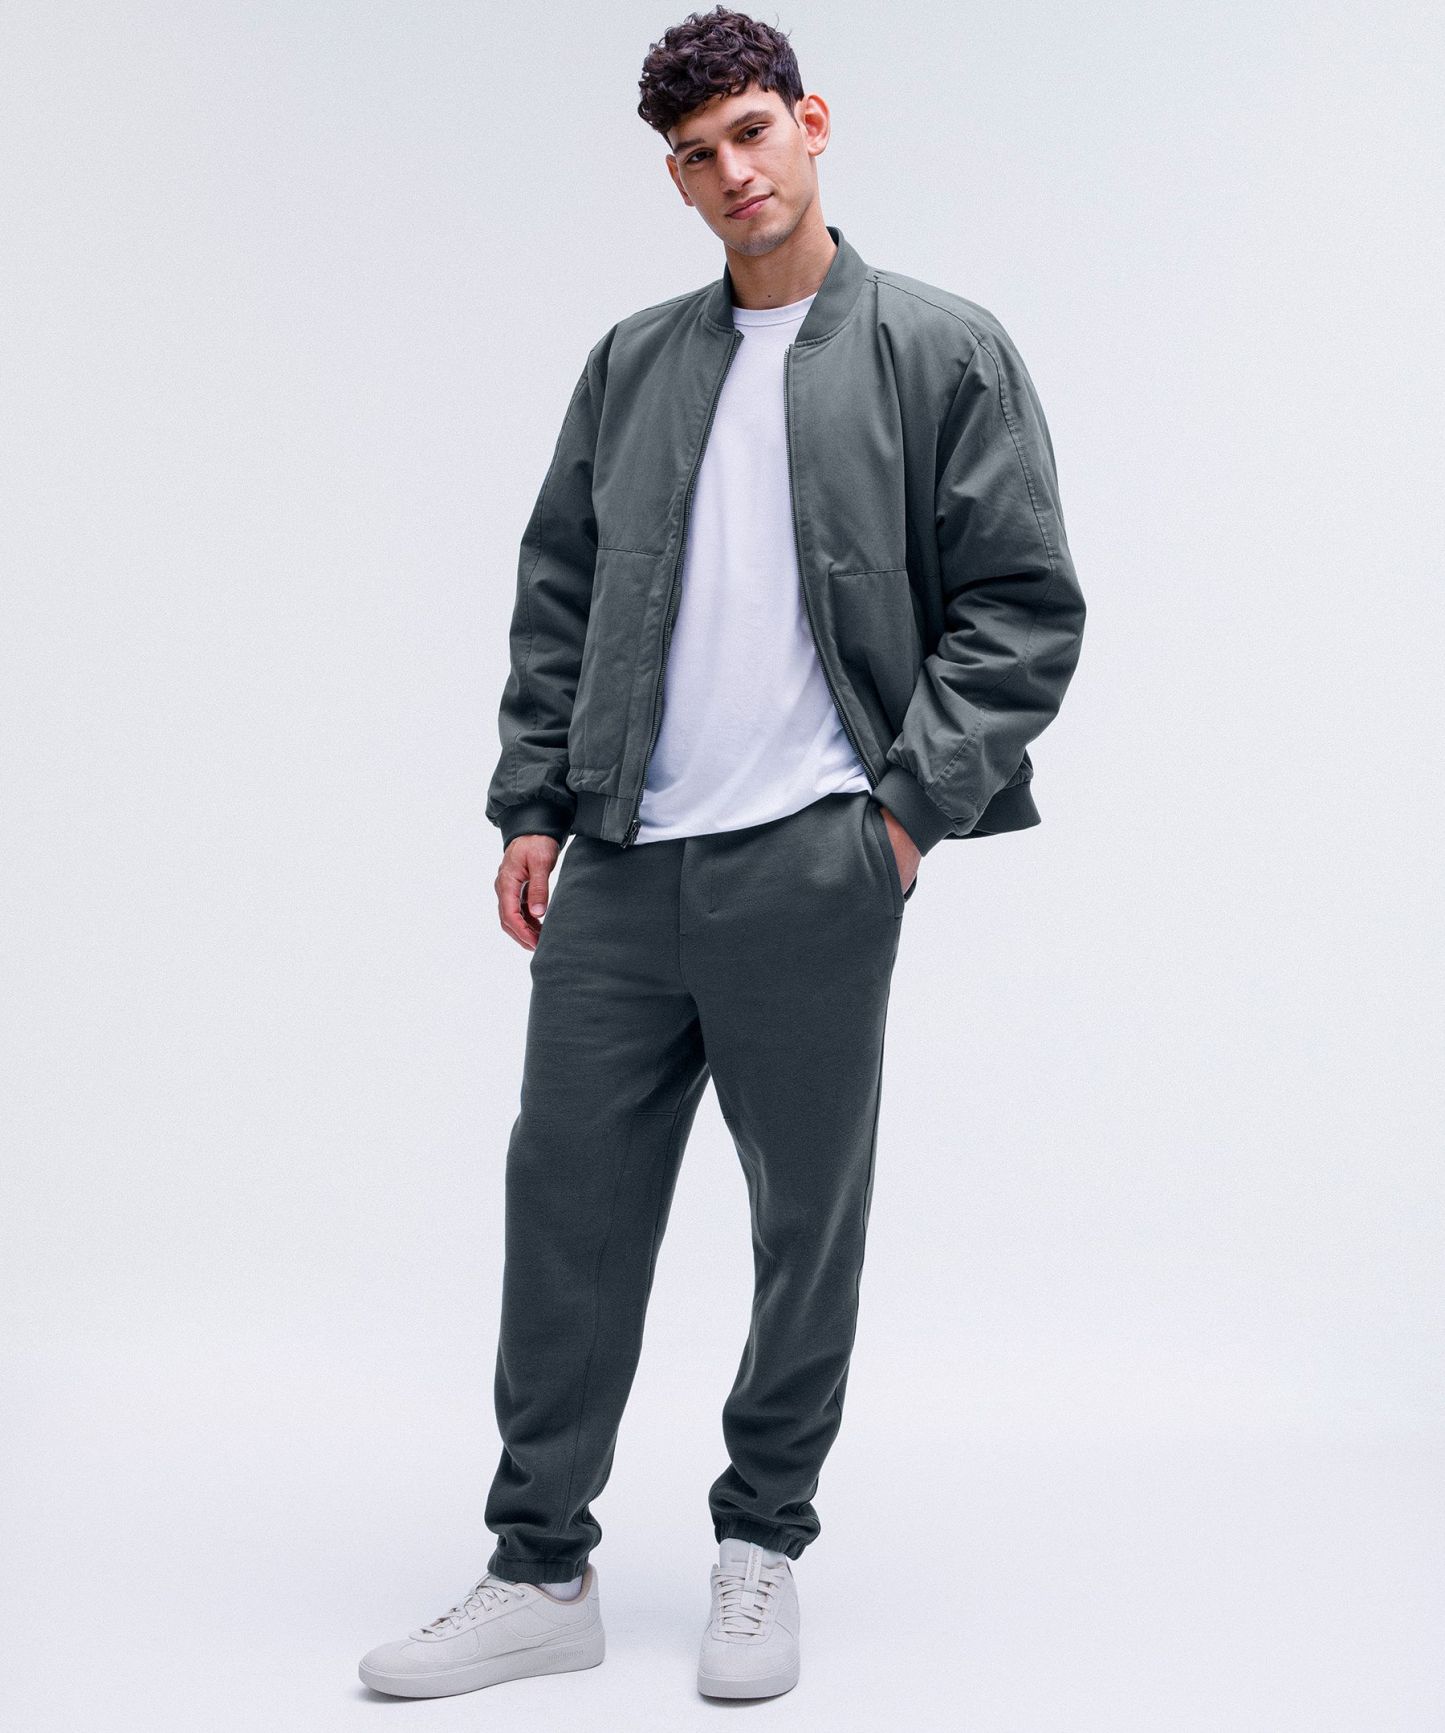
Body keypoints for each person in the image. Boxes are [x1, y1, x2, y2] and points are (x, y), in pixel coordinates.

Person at [358, 3, 1086, 1703]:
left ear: (810, 126)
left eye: (751, 131)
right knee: (564, 1209)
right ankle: (539, 1565)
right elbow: (557, 592)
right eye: (695, 155)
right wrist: (533, 802)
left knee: (801, 1224)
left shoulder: (939, 347)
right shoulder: (633, 362)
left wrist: (899, 816)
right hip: (621, 864)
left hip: (811, 863)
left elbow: (1022, 608)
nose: (731, 171)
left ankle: (761, 1541)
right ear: (676, 182)